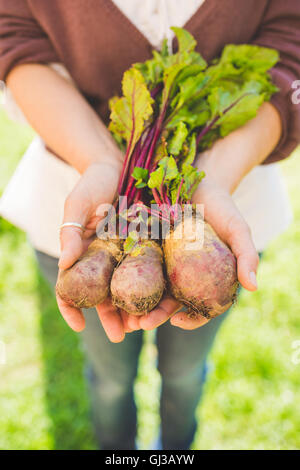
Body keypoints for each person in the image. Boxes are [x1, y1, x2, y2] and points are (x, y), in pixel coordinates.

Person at [0, 0, 299, 450]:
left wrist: (212, 178)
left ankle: (174, 450)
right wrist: (100, 161)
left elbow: (291, 43)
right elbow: (14, 36)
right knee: (110, 379)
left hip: (220, 207)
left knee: (182, 374)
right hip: (87, 219)